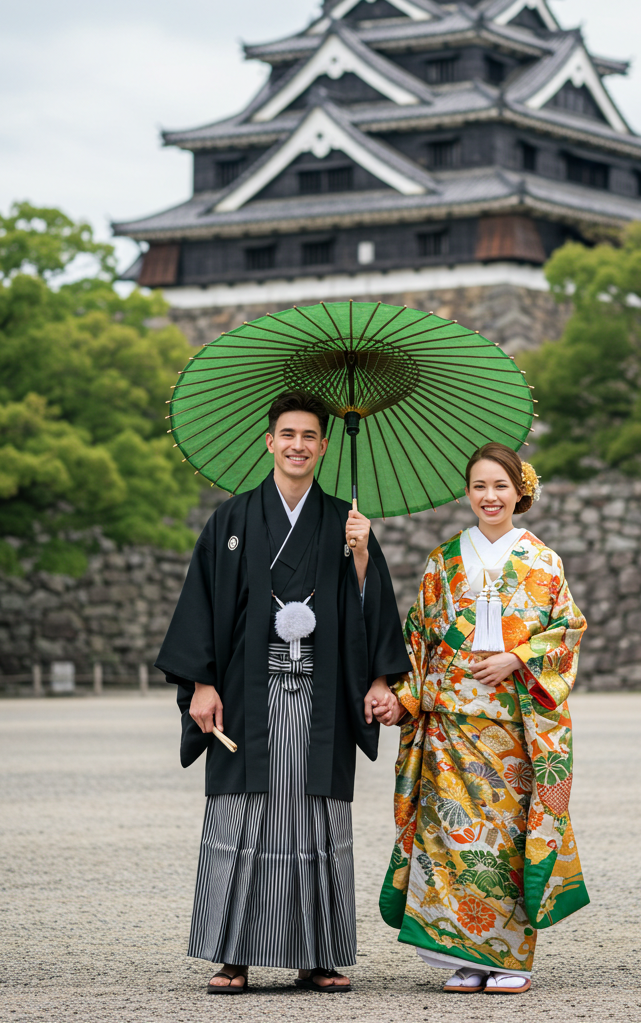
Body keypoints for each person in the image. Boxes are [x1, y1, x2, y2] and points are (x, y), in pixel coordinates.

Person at [155, 388, 409, 995]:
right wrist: (201, 682)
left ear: (324, 446)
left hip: (320, 697)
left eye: (309, 437)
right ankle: (233, 954)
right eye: (287, 435)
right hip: (246, 693)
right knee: (242, 818)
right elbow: (202, 606)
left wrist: (361, 558)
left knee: (315, 820)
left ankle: (318, 955)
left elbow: (369, 613)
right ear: (269, 441)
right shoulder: (233, 521)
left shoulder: (344, 524)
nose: (298, 446)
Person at [377, 442, 589, 994]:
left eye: (500, 486)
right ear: (467, 493)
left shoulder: (542, 561)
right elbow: (418, 639)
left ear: (521, 491)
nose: (489, 497)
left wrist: (517, 657)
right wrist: (401, 698)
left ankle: (511, 959)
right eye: (479, 486)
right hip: (449, 721)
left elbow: (567, 630)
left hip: (514, 726)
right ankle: (463, 955)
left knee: (504, 841)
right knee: (450, 838)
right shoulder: (444, 560)